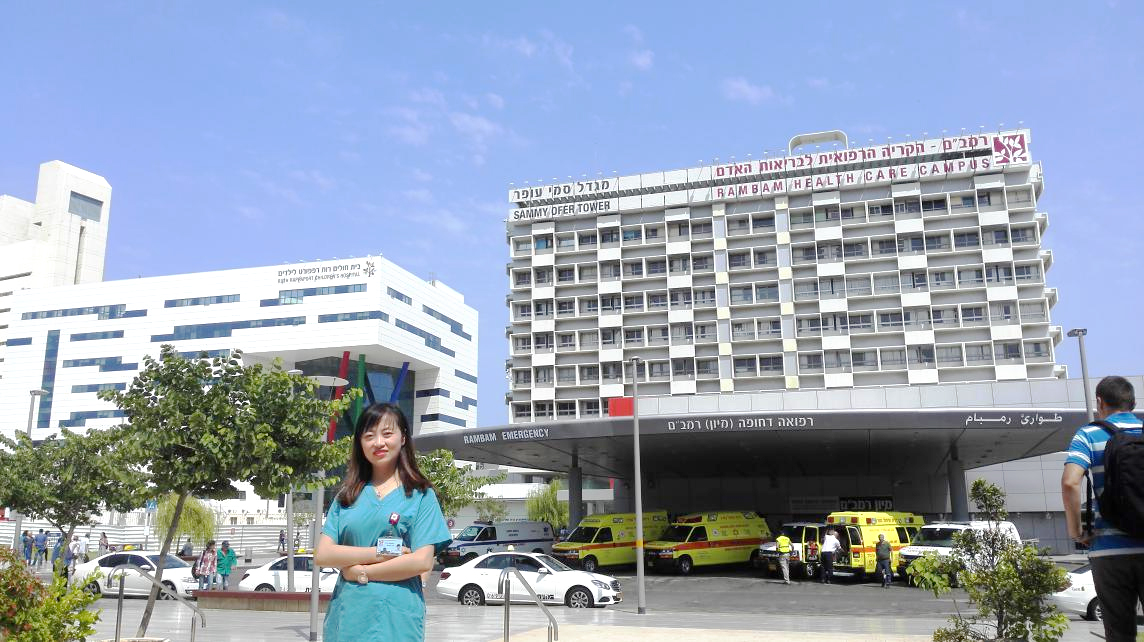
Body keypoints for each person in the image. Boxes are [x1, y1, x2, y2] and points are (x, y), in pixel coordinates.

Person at [315, 403, 451, 641]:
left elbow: (421, 560)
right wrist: (379, 554)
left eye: (387, 434)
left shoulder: (421, 495)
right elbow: (324, 555)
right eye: (369, 436)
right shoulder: (346, 497)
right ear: (360, 443)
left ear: (403, 438)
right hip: (349, 617)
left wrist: (360, 573)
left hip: (397, 619)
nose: (378, 442)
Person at [1062, 376, 1144, 642]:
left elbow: (1070, 482)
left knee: (1119, 634)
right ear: (1132, 403)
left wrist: (1077, 532)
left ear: (1100, 402)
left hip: (1109, 552)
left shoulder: (1088, 434)